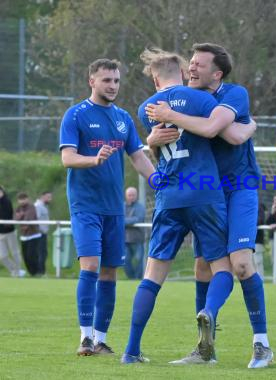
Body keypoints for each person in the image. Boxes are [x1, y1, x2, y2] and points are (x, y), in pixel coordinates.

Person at [144, 43, 273, 368]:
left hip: (239, 188)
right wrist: (150, 141)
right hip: (204, 193)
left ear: (216, 73)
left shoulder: (234, 93)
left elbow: (218, 131)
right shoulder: (186, 98)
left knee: (241, 264)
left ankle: (262, 345)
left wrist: (242, 130)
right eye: (190, 63)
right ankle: (205, 349)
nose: (191, 68)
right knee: (203, 267)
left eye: (199, 64)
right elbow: (168, 145)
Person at [122, 48, 239, 365]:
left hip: (170, 195)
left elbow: (158, 143)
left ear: (156, 77)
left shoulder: (147, 107)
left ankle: (131, 350)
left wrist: (152, 141)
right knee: (222, 269)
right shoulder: (202, 100)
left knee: (153, 274)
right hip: (204, 192)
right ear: (182, 72)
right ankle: (209, 312)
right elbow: (220, 131)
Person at [60, 58, 155, 357]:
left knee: (110, 274)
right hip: (85, 206)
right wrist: (94, 159)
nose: (112, 86)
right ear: (92, 81)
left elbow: (137, 156)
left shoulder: (123, 118)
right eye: (106, 80)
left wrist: (158, 180)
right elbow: (68, 158)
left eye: (116, 80)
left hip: (114, 209)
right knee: (90, 267)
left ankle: (100, 340)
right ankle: (85, 338)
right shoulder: (75, 115)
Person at [14, 193, 41, 276]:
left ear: (27, 199)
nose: (22, 201)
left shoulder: (31, 207)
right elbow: (15, 218)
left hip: (33, 235)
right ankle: (31, 273)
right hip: (23, 237)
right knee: (25, 257)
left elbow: (29, 219)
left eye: (23, 199)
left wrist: (22, 216)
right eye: (20, 199)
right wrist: (20, 216)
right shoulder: (18, 208)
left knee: (31, 255)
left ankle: (36, 272)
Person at [0, 185, 24, 277]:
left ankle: (17, 272)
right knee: (3, 256)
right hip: (0, 233)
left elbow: (7, 215)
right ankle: (14, 270)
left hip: (9, 232)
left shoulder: (6, 201)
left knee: (15, 253)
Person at [124, 187, 146, 280]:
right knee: (125, 260)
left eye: (133, 195)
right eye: (129, 195)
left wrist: (124, 221)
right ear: (126, 196)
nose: (131, 197)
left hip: (137, 238)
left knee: (139, 261)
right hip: (124, 239)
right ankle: (131, 279)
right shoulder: (122, 206)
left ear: (136, 195)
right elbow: (118, 218)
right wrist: (128, 221)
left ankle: (138, 279)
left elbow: (138, 218)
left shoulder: (140, 207)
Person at [34, 191, 52, 276]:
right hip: (40, 233)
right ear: (43, 196)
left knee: (43, 253)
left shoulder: (43, 206)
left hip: (43, 233)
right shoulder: (38, 206)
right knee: (41, 253)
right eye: (48, 197)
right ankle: (40, 272)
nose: (50, 199)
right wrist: (40, 231)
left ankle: (42, 271)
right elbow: (36, 219)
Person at [254, 197, 267, 279]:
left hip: (257, 240)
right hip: (247, 240)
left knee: (258, 261)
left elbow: (260, 220)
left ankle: (260, 279)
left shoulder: (259, 207)